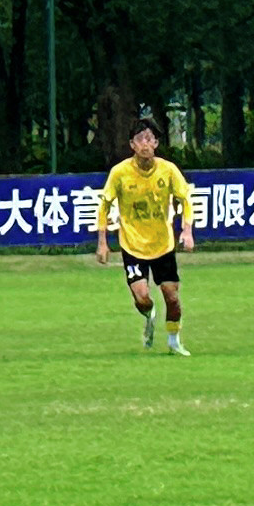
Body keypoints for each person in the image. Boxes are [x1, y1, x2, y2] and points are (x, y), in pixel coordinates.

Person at [97, 117, 198, 355]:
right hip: (132, 246)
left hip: (162, 245)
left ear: (156, 143)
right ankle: (149, 315)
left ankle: (174, 340)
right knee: (143, 298)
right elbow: (104, 205)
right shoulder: (120, 172)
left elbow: (185, 200)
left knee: (172, 298)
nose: (146, 144)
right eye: (141, 139)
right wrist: (102, 243)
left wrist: (187, 231)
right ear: (132, 144)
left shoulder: (168, 170)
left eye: (150, 139)